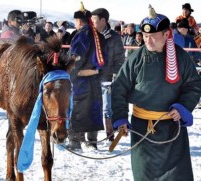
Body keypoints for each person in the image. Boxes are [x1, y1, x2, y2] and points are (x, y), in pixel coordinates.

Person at [111, 5, 201, 181]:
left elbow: (194, 85)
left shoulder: (181, 57)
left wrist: (183, 107)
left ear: (166, 34)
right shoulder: (135, 59)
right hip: (142, 129)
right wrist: (121, 117)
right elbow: (119, 88)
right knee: (145, 175)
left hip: (172, 129)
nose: (148, 41)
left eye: (153, 37)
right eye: (145, 36)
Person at [67, 2, 107, 150]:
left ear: (78, 21)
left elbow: (76, 59)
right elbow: (105, 61)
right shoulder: (100, 36)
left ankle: (75, 141)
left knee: (78, 108)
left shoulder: (80, 35)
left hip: (80, 80)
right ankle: (92, 141)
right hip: (96, 78)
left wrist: (71, 72)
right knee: (94, 107)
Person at [91, 8, 125, 144]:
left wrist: (114, 76)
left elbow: (120, 59)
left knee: (107, 108)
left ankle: (110, 135)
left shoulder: (114, 37)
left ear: (103, 21)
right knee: (92, 107)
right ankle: (91, 140)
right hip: (91, 78)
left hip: (107, 79)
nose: (92, 23)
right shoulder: (91, 36)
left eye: (94, 20)